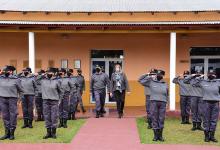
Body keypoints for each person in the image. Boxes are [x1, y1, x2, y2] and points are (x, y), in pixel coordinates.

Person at [139, 69, 168, 142]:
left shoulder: (165, 83)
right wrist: (148, 74)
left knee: (161, 119)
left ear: (162, 76)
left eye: (160, 75)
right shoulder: (151, 82)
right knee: (154, 118)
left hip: (163, 102)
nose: (159, 76)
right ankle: (155, 136)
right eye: (157, 74)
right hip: (154, 102)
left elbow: (167, 94)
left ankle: (160, 136)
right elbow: (140, 80)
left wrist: (167, 102)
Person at [190, 69, 220, 142]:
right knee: (206, 120)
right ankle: (206, 136)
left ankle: (212, 136)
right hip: (206, 103)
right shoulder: (203, 82)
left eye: (212, 74)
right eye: (209, 74)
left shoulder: (218, 82)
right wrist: (200, 76)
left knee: (214, 120)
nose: (211, 75)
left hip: (215, 103)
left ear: (215, 75)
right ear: (207, 75)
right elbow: (192, 83)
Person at [0, 66, 23, 140]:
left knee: (13, 116)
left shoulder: (16, 80)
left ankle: (12, 133)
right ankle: (7, 133)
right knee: (5, 116)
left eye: (6, 71)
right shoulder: (1, 78)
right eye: (4, 71)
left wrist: (19, 100)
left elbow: (21, 91)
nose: (4, 72)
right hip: (2, 99)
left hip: (12, 99)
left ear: (11, 71)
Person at [41, 67, 63, 139]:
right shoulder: (43, 80)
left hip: (54, 101)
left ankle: (53, 133)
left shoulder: (57, 81)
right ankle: (48, 133)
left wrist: (59, 100)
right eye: (47, 72)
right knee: (47, 117)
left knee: (54, 117)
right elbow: (35, 79)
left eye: (50, 72)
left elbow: (61, 92)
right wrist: (42, 74)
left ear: (53, 73)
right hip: (45, 101)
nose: (48, 73)